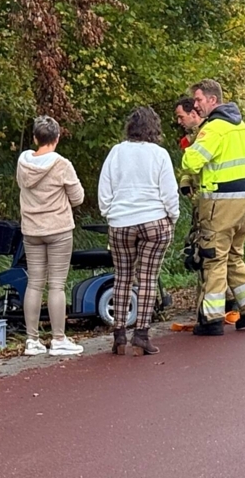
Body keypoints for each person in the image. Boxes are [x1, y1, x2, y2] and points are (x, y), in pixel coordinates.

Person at [182, 79, 245, 336]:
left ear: (212, 100)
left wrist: (188, 150)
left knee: (213, 257)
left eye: (198, 100)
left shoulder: (214, 128)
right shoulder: (241, 126)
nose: (195, 105)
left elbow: (192, 161)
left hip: (221, 202)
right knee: (233, 255)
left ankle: (211, 319)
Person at [99, 107, 180, 355]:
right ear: (154, 128)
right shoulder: (159, 154)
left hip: (121, 223)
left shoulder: (116, 152)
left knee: (122, 277)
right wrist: (172, 218)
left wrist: (110, 213)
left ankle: (119, 334)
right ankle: (142, 335)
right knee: (148, 278)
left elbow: (104, 189)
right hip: (154, 221)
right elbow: (169, 192)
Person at [16, 116, 85, 356]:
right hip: (58, 230)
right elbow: (78, 198)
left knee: (34, 283)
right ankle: (58, 339)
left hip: (31, 230)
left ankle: (32, 340)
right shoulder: (61, 164)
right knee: (56, 285)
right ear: (57, 138)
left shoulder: (23, 162)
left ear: (35, 138)